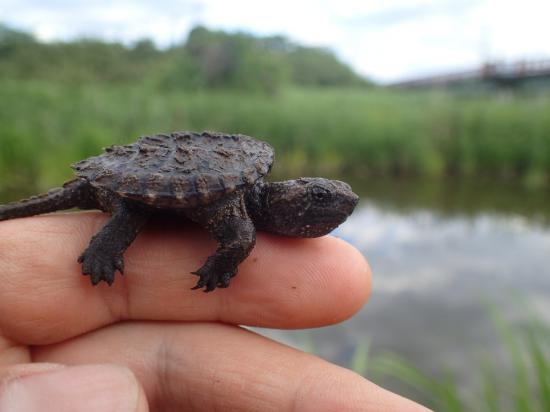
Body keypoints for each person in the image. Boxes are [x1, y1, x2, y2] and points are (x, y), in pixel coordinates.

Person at [0, 212, 429, 411]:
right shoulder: (241, 218)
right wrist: (217, 270)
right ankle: (99, 254)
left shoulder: (243, 208)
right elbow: (239, 241)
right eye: (316, 197)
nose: (338, 202)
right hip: (134, 193)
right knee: (133, 212)